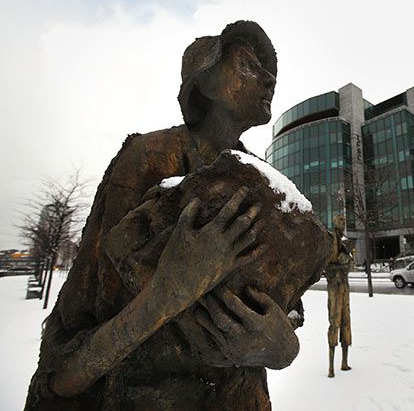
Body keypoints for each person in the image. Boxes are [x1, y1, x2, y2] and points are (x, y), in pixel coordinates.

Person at [25, 21, 301, 411]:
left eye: (270, 71)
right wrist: (164, 296)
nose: (269, 80)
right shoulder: (148, 158)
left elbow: (283, 300)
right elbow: (68, 364)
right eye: (247, 64)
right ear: (202, 81)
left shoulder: (261, 179)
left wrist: (283, 344)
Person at [325, 214, 352, 378]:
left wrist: (346, 259)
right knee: (334, 321)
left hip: (344, 286)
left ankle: (344, 362)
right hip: (334, 286)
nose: (342, 223)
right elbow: (327, 267)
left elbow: (350, 264)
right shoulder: (330, 239)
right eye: (340, 220)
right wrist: (341, 263)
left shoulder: (344, 240)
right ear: (334, 222)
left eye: (344, 220)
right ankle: (331, 368)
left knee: (346, 321)